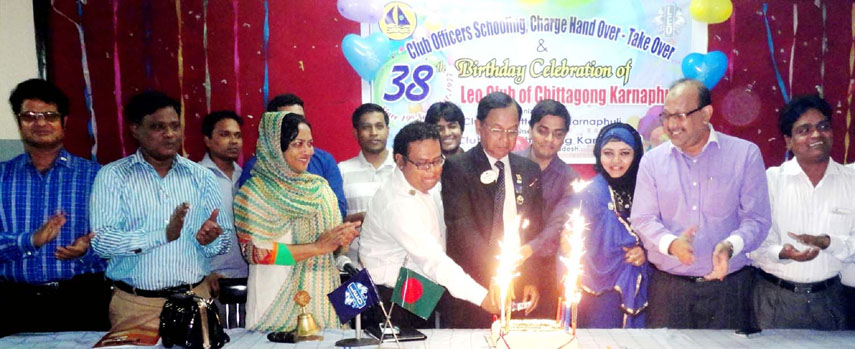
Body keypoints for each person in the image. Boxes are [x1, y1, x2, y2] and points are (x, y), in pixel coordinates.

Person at [630, 78, 771, 329]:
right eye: (666, 116)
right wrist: (672, 244)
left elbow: (757, 220)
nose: (671, 125)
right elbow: (643, 218)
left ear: (706, 114)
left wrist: (730, 246)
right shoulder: (652, 161)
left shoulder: (745, 155)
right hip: (669, 290)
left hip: (728, 288)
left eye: (680, 115)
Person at [90, 91, 231, 333]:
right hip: (136, 306)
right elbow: (102, 242)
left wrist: (211, 239)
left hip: (195, 301)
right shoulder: (113, 176)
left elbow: (224, 240)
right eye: (158, 127)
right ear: (135, 129)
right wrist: (162, 235)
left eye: (175, 126)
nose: (169, 134)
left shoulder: (202, 177)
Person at [360, 121, 500, 328]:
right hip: (389, 299)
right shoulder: (397, 203)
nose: (433, 170)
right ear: (400, 161)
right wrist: (482, 298)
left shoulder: (424, 184)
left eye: (437, 160)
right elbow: (434, 261)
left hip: (417, 290)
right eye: (423, 163)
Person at [0, 79, 109, 337]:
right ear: (19, 121)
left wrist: (88, 251)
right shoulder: (2, 176)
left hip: (82, 300)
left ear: (64, 122)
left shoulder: (97, 176)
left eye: (49, 115)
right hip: (12, 302)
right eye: (30, 116)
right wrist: (30, 241)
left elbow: (119, 239)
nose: (40, 123)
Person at [234, 112, 360, 334]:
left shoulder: (321, 190)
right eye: (297, 144)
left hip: (321, 299)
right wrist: (316, 248)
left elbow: (333, 249)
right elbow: (254, 252)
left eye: (310, 144)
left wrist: (342, 240)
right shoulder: (253, 194)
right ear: (275, 148)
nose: (308, 151)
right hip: (272, 303)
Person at [748, 95, 855, 330]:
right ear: (788, 141)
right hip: (775, 299)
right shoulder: (770, 181)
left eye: (823, 126)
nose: (816, 135)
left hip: (830, 301)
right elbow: (754, 244)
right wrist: (783, 253)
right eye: (804, 130)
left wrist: (829, 242)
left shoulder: (852, 182)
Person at [440, 92, 542, 328]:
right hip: (474, 286)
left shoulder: (529, 170)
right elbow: (462, 228)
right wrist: (496, 275)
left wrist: (532, 278)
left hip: (519, 285)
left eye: (512, 130)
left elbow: (534, 229)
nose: (506, 139)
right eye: (497, 130)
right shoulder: (457, 168)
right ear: (478, 126)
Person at [562, 123, 649, 328]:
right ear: (598, 154)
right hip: (598, 291)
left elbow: (659, 228)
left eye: (625, 153)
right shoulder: (589, 193)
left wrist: (645, 251)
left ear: (636, 155)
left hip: (639, 284)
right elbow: (569, 243)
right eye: (608, 153)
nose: (616, 161)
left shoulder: (648, 189)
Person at [237, 93, 347, 220]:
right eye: (289, 121)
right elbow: (253, 220)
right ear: (273, 127)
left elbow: (338, 210)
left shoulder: (323, 161)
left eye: (300, 119)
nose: (297, 125)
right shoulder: (256, 168)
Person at [199, 110, 249, 328]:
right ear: (208, 140)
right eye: (225, 134)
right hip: (214, 280)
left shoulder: (249, 176)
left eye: (237, 135)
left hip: (252, 278)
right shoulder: (195, 178)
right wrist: (203, 272)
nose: (233, 141)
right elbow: (183, 233)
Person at [338, 103, 396, 267]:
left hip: (401, 267)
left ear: (388, 130)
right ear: (356, 133)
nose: (374, 133)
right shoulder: (342, 171)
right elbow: (333, 221)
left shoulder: (403, 167)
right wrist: (358, 219)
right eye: (366, 127)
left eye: (379, 126)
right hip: (356, 268)